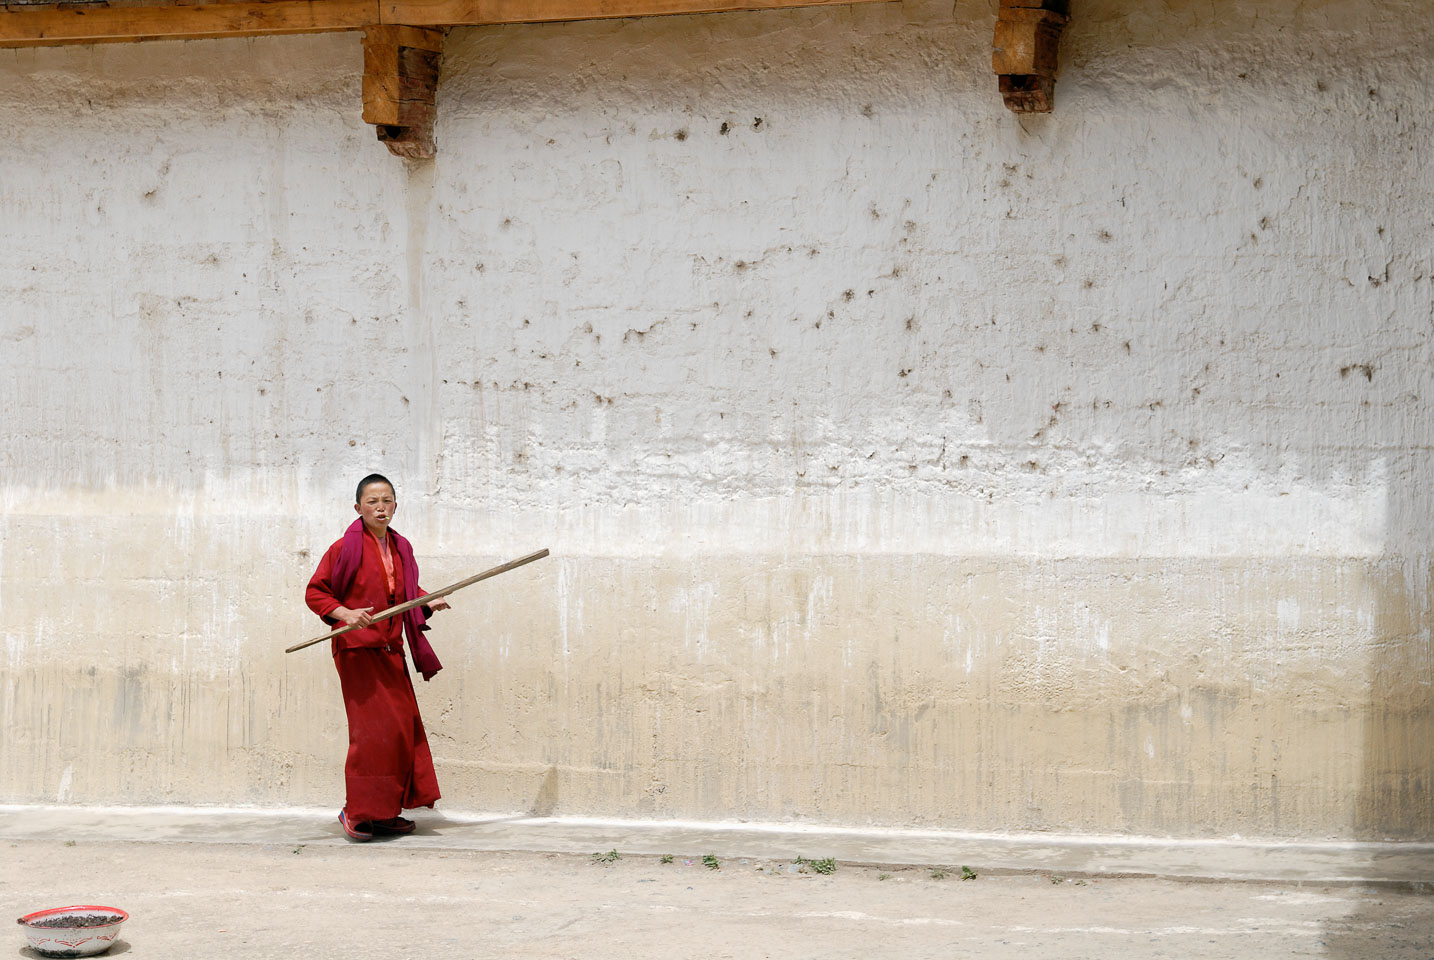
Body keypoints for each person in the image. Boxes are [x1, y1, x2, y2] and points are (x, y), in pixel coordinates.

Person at [305, 473, 450, 841]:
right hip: (357, 652)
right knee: (370, 735)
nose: (380, 507)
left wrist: (425, 599)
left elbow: (402, 592)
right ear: (358, 508)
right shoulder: (344, 548)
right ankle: (355, 812)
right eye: (372, 502)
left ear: (395, 506)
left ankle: (384, 812)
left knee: (400, 732)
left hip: (390, 649)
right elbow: (316, 592)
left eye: (386, 500)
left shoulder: (401, 547)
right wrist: (345, 614)